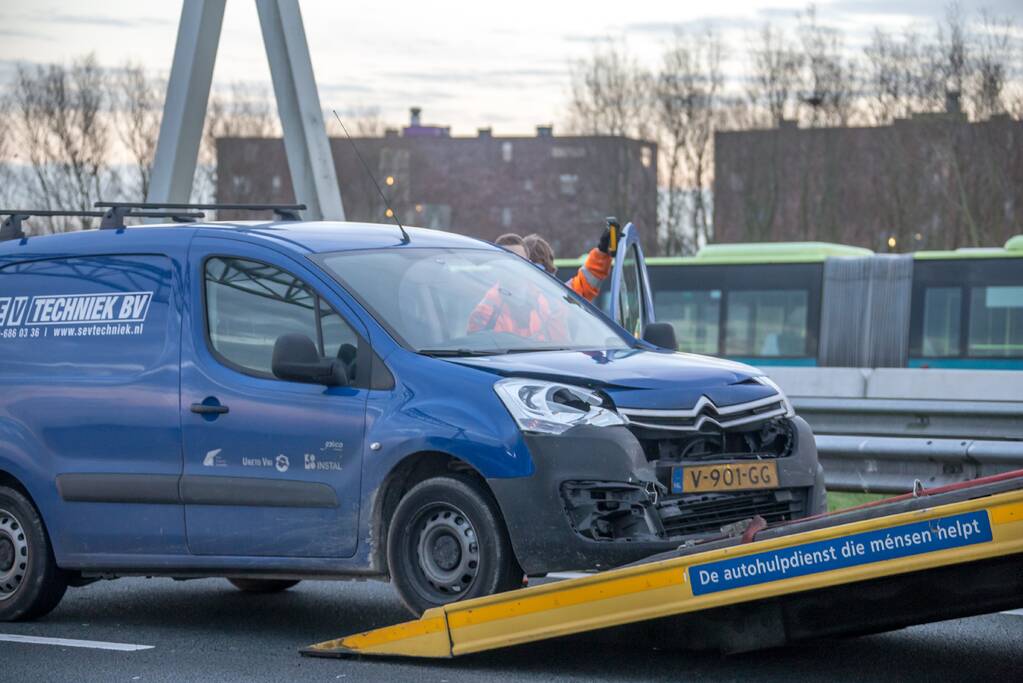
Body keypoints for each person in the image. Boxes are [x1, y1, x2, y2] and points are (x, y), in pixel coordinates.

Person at [524, 219, 616, 303]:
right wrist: (603, 251)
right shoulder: (559, 296)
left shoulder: (513, 296)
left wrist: (603, 251)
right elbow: (584, 286)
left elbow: (583, 286)